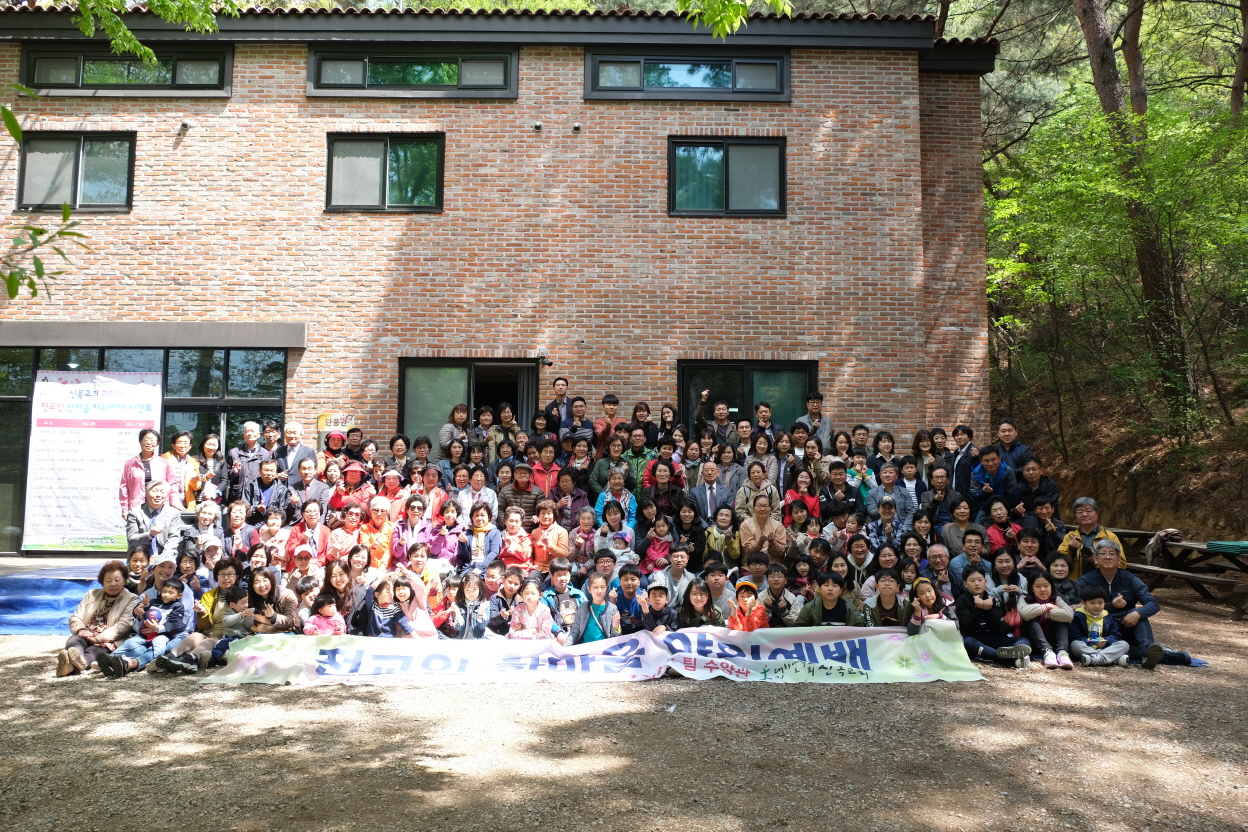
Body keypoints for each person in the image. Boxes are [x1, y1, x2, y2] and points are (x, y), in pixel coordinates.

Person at [1077, 539, 1188, 668]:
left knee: (1138, 614)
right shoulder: (1086, 580)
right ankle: (1157, 654)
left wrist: (1137, 614)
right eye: (1103, 553)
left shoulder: (1130, 578)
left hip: (1126, 625)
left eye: (1112, 554)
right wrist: (1111, 606)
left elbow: (1153, 604)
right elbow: (1081, 607)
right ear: (1095, 559)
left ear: (1119, 559)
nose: (1107, 557)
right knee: (1120, 647)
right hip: (1101, 631)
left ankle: (1147, 648)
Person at [57, 560, 139, 676]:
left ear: (124, 580)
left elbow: (124, 625)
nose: (113, 584)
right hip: (86, 635)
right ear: (102, 582)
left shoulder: (132, 598)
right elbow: (76, 617)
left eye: (117, 580)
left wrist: (98, 639)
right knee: (73, 640)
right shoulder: (91, 594)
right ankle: (74, 662)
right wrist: (81, 630)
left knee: (95, 651)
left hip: (108, 641)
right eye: (108, 580)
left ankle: (72, 665)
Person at [955, 567, 1031, 668]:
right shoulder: (961, 601)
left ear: (985, 582)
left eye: (980, 580)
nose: (977, 583)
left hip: (991, 637)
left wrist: (988, 610)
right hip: (974, 638)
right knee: (968, 643)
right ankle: (1006, 658)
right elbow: (969, 627)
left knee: (1024, 641)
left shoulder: (992, 599)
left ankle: (1011, 651)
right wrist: (979, 609)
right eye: (972, 581)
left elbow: (996, 627)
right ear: (965, 584)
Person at [1058, 497, 1126, 579]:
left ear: (1097, 514)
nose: (1084, 514)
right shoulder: (1070, 537)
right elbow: (1059, 562)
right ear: (1075, 515)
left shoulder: (1109, 537)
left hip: (1102, 583)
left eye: (1088, 511)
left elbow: (1121, 564)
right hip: (1076, 583)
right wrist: (1071, 550)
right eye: (1080, 511)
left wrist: (1094, 559)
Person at [1020, 570, 1074, 669]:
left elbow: (1069, 615)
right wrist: (1047, 606)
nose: (1043, 589)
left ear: (1051, 587)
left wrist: (1049, 612)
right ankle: (1047, 651)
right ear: (1031, 588)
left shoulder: (1057, 599)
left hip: (1052, 639)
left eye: (1046, 586)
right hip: (1032, 640)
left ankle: (1062, 652)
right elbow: (1024, 613)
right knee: (1031, 617)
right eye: (1038, 586)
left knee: (1061, 618)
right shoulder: (1024, 599)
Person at [1068, 584, 1129, 667]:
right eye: (1092, 603)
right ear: (1084, 603)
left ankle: (1093, 659)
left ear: (1105, 602)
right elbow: (1074, 636)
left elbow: (1116, 635)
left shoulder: (1108, 616)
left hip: (1105, 648)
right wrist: (1093, 642)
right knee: (1075, 644)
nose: (1097, 606)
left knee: (1124, 645)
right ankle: (1112, 659)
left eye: (1100, 603)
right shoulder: (1078, 616)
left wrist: (1106, 641)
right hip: (1087, 647)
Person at [119, 428, 173, 518]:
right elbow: (124, 487)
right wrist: (125, 509)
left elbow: (171, 484)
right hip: (137, 507)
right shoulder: (130, 463)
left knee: (158, 527)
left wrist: (173, 505)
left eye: (152, 440)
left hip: (160, 507)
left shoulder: (163, 462)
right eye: (146, 440)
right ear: (140, 441)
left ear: (157, 443)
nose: (149, 443)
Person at [125, 480, 182, 559]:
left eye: (162, 492)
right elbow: (132, 539)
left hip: (165, 557)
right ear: (147, 494)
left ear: (166, 496)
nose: (158, 495)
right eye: (154, 491)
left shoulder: (173, 513)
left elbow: (174, 538)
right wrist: (150, 534)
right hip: (140, 558)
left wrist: (161, 559)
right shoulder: (135, 512)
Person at [564, 572, 621, 645]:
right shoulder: (583, 607)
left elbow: (615, 638)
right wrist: (565, 647)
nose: (599, 591)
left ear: (606, 588)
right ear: (589, 589)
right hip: (586, 646)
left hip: (604, 647)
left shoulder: (612, 608)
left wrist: (616, 626)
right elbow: (574, 631)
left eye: (602, 587)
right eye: (595, 587)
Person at [794, 570, 864, 626]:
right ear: (820, 589)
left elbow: (859, 628)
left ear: (840, 591)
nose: (830, 589)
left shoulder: (849, 608)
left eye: (834, 586)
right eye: (826, 585)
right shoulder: (809, 608)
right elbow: (799, 629)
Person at [227, 421, 272, 504]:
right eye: (248, 431)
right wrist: (234, 472)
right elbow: (226, 476)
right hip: (237, 495)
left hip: (257, 495)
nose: (250, 433)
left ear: (259, 434)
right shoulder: (234, 452)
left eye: (253, 431)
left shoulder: (265, 454)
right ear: (244, 435)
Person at [740, 494, 786, 565]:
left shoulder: (778, 526)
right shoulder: (745, 525)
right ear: (753, 508)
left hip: (773, 565)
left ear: (770, 508)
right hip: (751, 565)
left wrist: (772, 542)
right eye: (759, 506)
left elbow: (781, 552)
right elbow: (748, 550)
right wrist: (760, 541)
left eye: (765, 506)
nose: (762, 509)